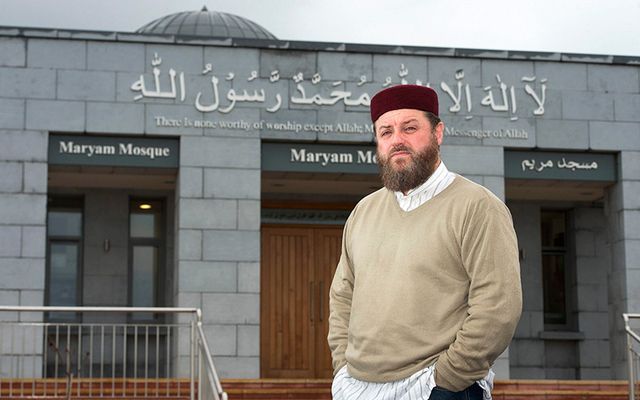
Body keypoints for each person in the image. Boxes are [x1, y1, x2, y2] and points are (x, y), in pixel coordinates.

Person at [328, 84, 522, 400]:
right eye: (386, 132)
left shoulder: (476, 206)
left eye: (410, 128)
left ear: (438, 133)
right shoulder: (363, 212)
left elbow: (498, 306)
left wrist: (446, 380)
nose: (397, 140)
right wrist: (342, 369)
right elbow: (342, 297)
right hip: (357, 388)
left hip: (436, 387)